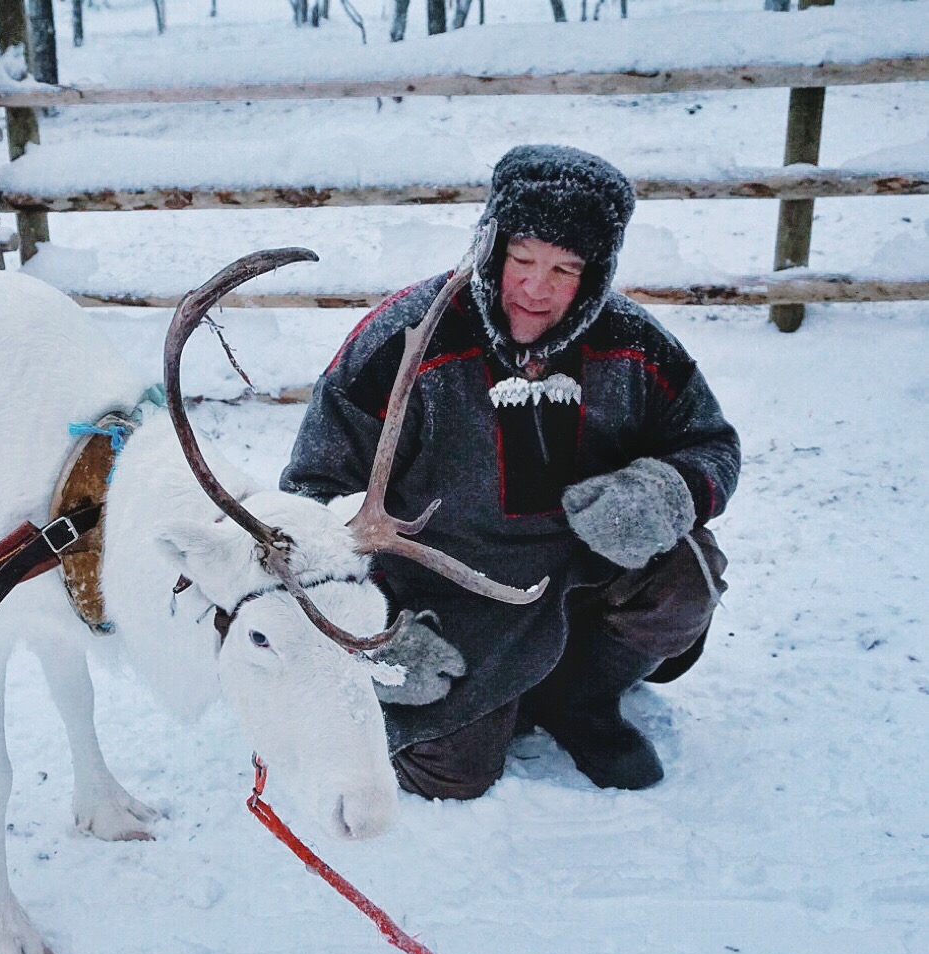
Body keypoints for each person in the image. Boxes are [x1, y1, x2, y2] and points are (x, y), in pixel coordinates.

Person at [281, 145, 740, 799]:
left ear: (596, 272)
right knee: (451, 775)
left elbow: (710, 445)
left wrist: (667, 492)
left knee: (685, 576)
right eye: (521, 260)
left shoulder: (634, 345)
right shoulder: (404, 341)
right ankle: (470, 702)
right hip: (444, 603)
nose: (536, 286)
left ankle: (579, 699)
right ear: (491, 249)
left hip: (582, 579)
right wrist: (375, 636)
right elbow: (309, 495)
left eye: (565, 268)